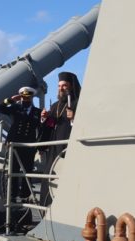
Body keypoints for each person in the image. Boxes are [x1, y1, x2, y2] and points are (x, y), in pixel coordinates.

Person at [39, 71, 81, 205]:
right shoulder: (55, 106)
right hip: (54, 148)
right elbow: (51, 125)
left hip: (68, 148)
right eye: (59, 86)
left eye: (64, 85)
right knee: (48, 176)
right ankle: (46, 207)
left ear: (71, 86)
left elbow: (85, 125)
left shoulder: (78, 103)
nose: (61, 88)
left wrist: (74, 118)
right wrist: (45, 118)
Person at [0, 86, 42, 201]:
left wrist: (39, 145)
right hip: (14, 143)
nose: (25, 99)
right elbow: (0, 108)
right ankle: (12, 195)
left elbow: (41, 129)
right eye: (23, 97)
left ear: (32, 97)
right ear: (21, 97)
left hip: (29, 144)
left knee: (28, 170)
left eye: (28, 97)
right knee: (13, 169)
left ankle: (25, 195)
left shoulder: (38, 112)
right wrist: (10, 100)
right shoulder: (15, 108)